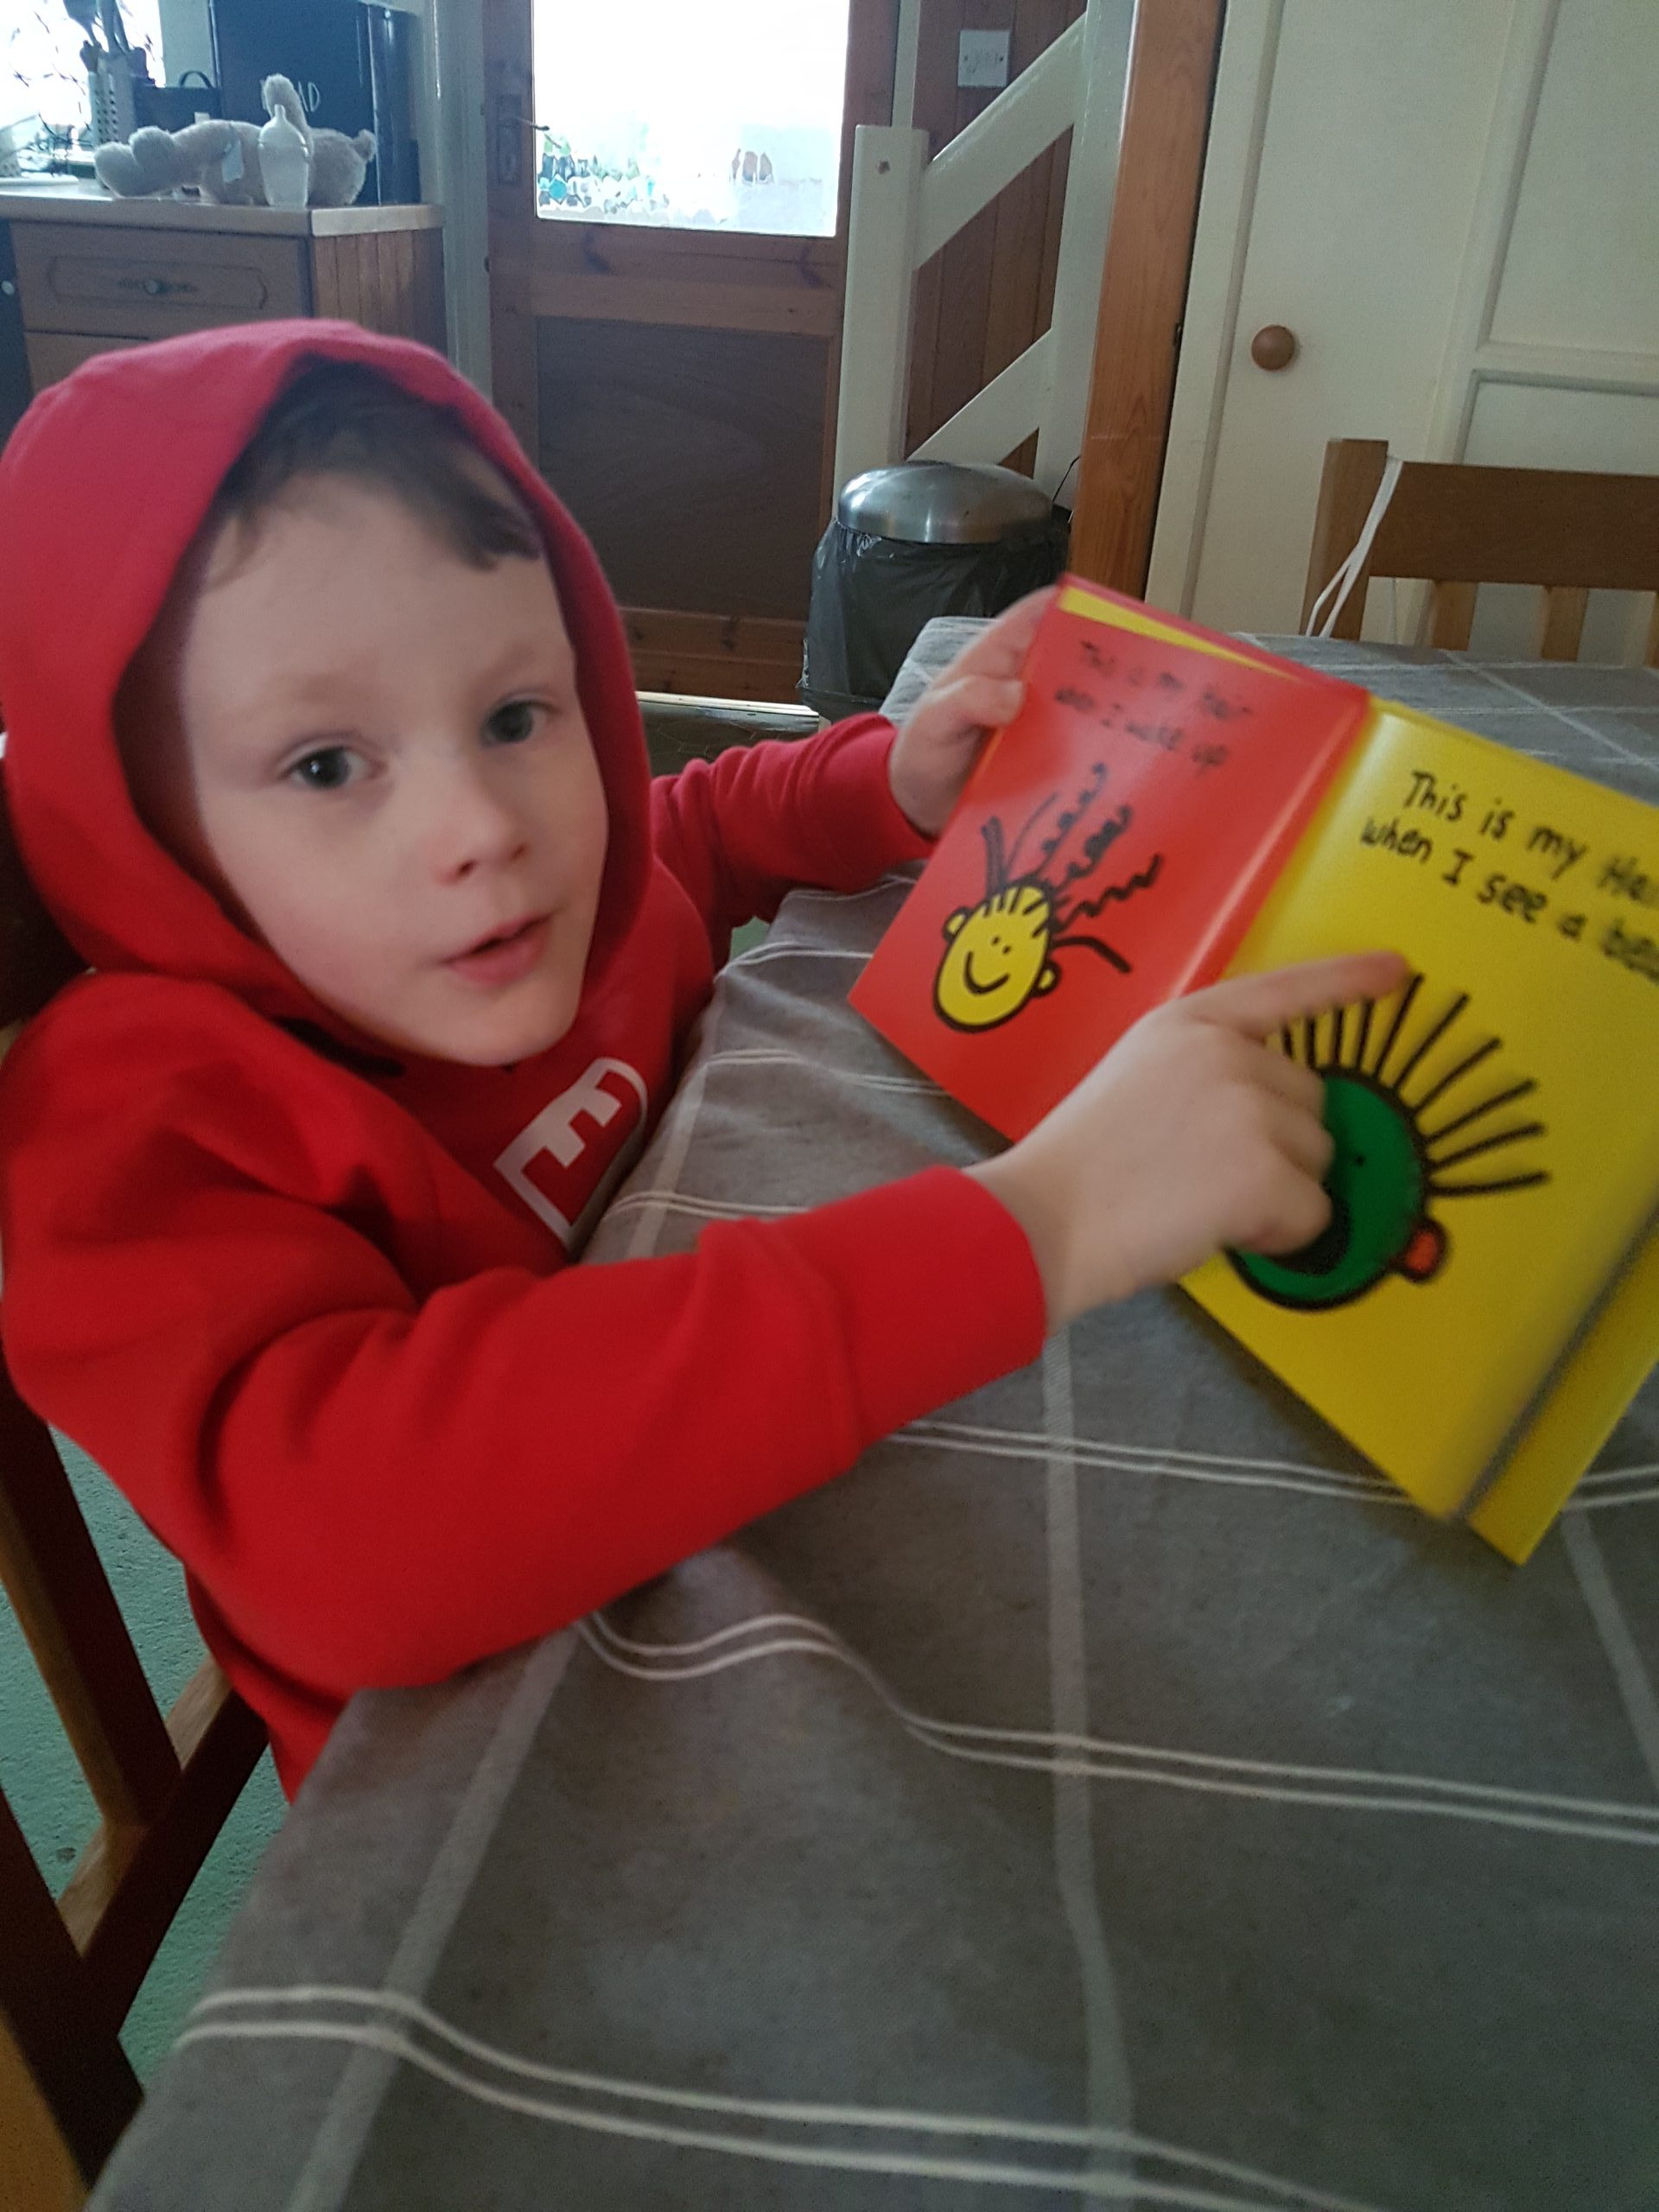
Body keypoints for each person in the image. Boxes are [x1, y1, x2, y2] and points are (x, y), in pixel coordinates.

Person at [0, 322, 1400, 1793]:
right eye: (327, 765)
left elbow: (703, 830)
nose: (484, 827)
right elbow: (352, 1542)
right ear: (135, 819)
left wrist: (894, 775)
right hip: (515, 1776)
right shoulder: (131, 1135)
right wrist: (1048, 1220)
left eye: (515, 715)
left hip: (758, 1507)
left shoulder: (567, 902)